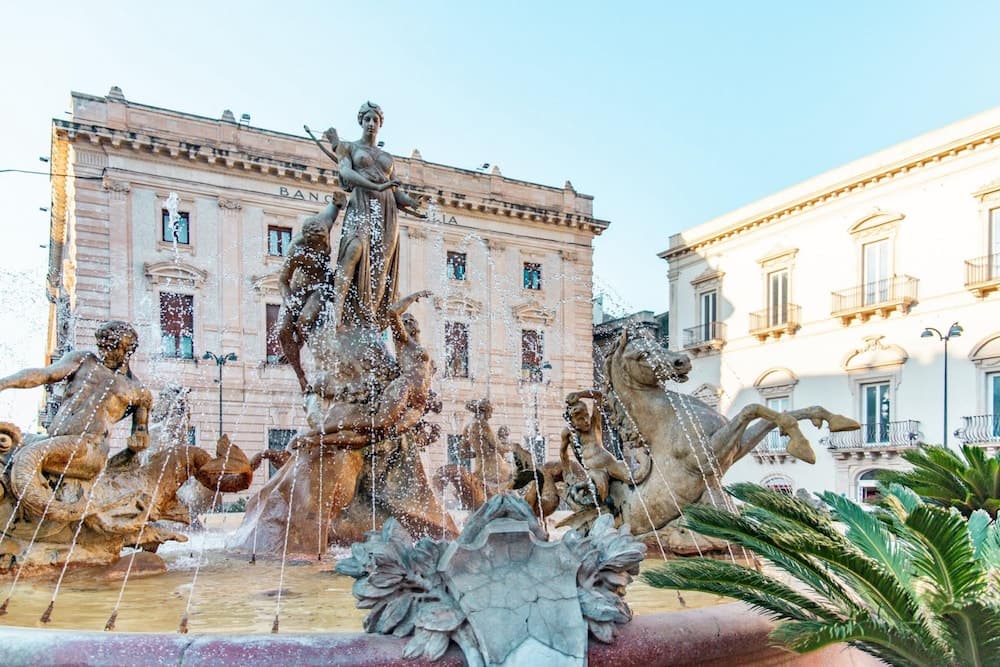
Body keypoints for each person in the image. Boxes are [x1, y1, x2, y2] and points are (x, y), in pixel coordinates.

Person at [0, 321, 153, 521]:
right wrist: (4, 383)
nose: (104, 351)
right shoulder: (83, 360)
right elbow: (45, 375)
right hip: (54, 441)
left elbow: (141, 434)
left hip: (89, 449)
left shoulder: (139, 392)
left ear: (126, 349)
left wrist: (138, 443)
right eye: (101, 345)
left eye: (110, 347)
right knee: (9, 442)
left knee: (29, 456)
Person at [310, 102, 428, 330]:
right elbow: (346, 172)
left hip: (387, 213)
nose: (371, 124)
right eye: (367, 119)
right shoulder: (348, 148)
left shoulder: (387, 157)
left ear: (380, 124)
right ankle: (338, 313)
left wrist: (413, 203)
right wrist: (378, 187)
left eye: (376, 120)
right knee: (353, 250)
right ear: (361, 121)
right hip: (361, 204)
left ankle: (368, 320)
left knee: (379, 268)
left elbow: (395, 191)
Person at [276, 197, 344, 391]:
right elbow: (282, 281)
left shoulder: (324, 224)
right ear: (306, 241)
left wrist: (338, 202)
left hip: (322, 288)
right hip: (299, 290)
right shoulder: (295, 250)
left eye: (322, 243)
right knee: (283, 332)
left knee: (305, 320)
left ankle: (305, 346)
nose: (319, 248)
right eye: (314, 245)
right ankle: (301, 377)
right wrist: (288, 300)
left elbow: (333, 208)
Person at [561, 389, 632, 509]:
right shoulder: (568, 433)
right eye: (580, 419)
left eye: (586, 416)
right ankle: (604, 513)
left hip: (611, 463)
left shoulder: (594, 424)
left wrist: (579, 394)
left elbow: (598, 396)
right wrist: (568, 474)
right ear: (572, 422)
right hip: (595, 471)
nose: (586, 420)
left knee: (633, 478)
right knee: (601, 487)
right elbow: (563, 454)